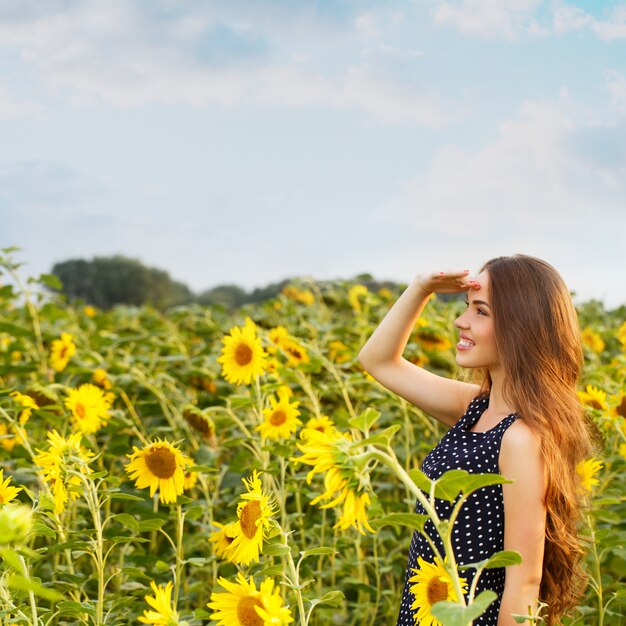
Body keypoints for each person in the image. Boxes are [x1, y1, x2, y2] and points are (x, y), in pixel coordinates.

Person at [358, 255, 597, 626]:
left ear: (521, 327)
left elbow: (524, 581)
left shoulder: (521, 438)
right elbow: (378, 361)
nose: (461, 321)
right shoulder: (476, 408)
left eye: (481, 311)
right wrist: (421, 288)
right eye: (466, 307)